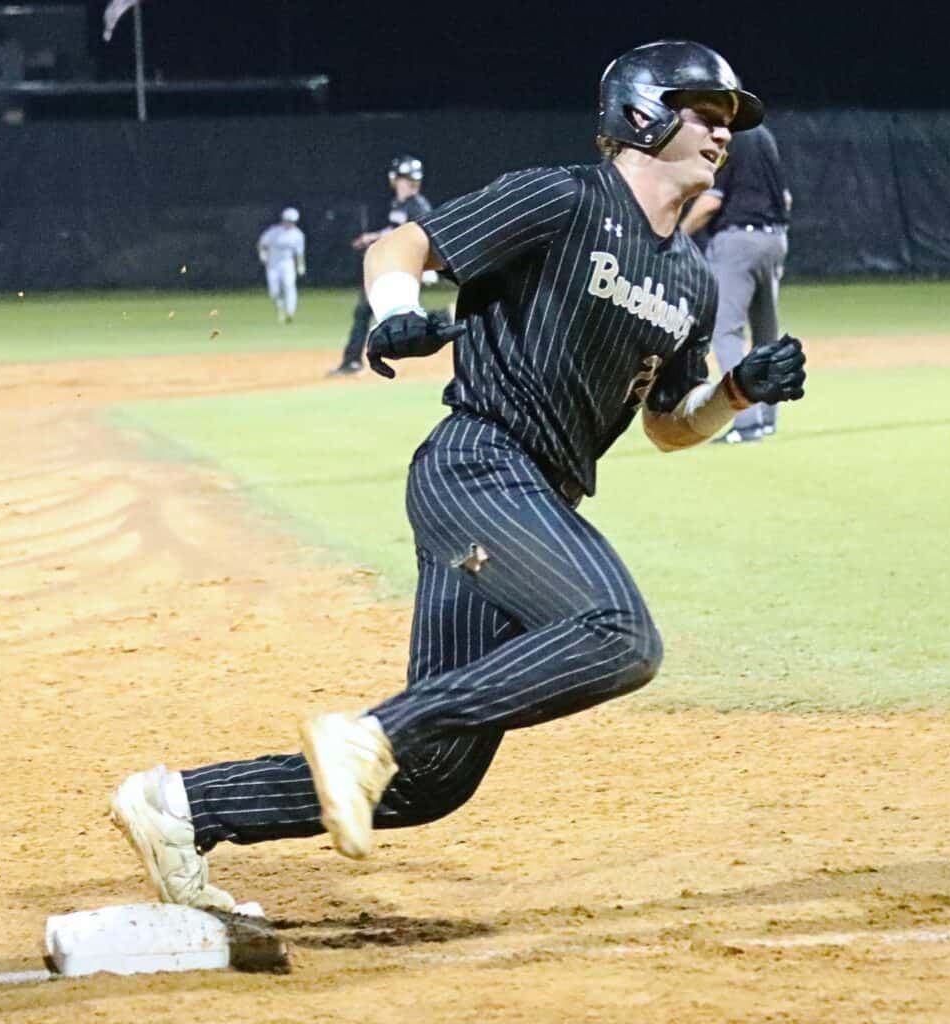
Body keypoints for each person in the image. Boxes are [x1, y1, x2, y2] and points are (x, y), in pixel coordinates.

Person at [109, 40, 806, 911]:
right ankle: (370, 731)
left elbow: (666, 427)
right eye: (706, 112)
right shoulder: (561, 197)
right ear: (643, 113)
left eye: (728, 120)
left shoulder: (690, 280)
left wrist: (735, 392)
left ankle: (180, 806)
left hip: (531, 498)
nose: (722, 133)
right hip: (478, 465)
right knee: (619, 633)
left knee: (428, 781)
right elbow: (406, 245)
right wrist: (399, 314)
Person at [680, 122, 792, 442]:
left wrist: (679, 234)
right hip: (774, 239)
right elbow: (785, 200)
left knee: (725, 330)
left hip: (737, 242)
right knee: (766, 333)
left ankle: (746, 422)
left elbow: (712, 201)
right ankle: (767, 418)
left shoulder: (729, 140)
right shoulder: (765, 137)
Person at [329, 155, 447, 375]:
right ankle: (353, 359)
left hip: (403, 266)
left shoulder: (417, 206)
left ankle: (444, 319)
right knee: (376, 311)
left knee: (374, 311)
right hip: (396, 265)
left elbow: (417, 236)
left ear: (396, 178)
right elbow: (395, 231)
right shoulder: (401, 204)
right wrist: (373, 237)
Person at [257, 207, 306, 324]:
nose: (290, 223)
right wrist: (262, 253)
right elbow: (261, 243)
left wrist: (300, 265)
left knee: (289, 286)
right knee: (274, 291)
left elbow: (299, 252)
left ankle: (290, 312)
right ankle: (280, 308)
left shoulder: (298, 235)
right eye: (288, 220)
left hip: (287, 264)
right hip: (273, 264)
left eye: (292, 221)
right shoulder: (274, 232)